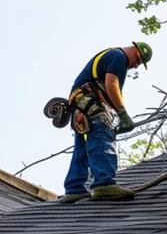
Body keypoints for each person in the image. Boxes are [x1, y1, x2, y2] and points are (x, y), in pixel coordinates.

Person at [61, 42, 152, 203]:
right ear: (135, 51)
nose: (136, 66)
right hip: (91, 102)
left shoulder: (110, 55)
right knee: (102, 134)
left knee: (83, 144)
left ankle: (74, 187)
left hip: (81, 105)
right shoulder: (119, 57)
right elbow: (112, 83)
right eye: (138, 61)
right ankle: (103, 183)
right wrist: (122, 113)